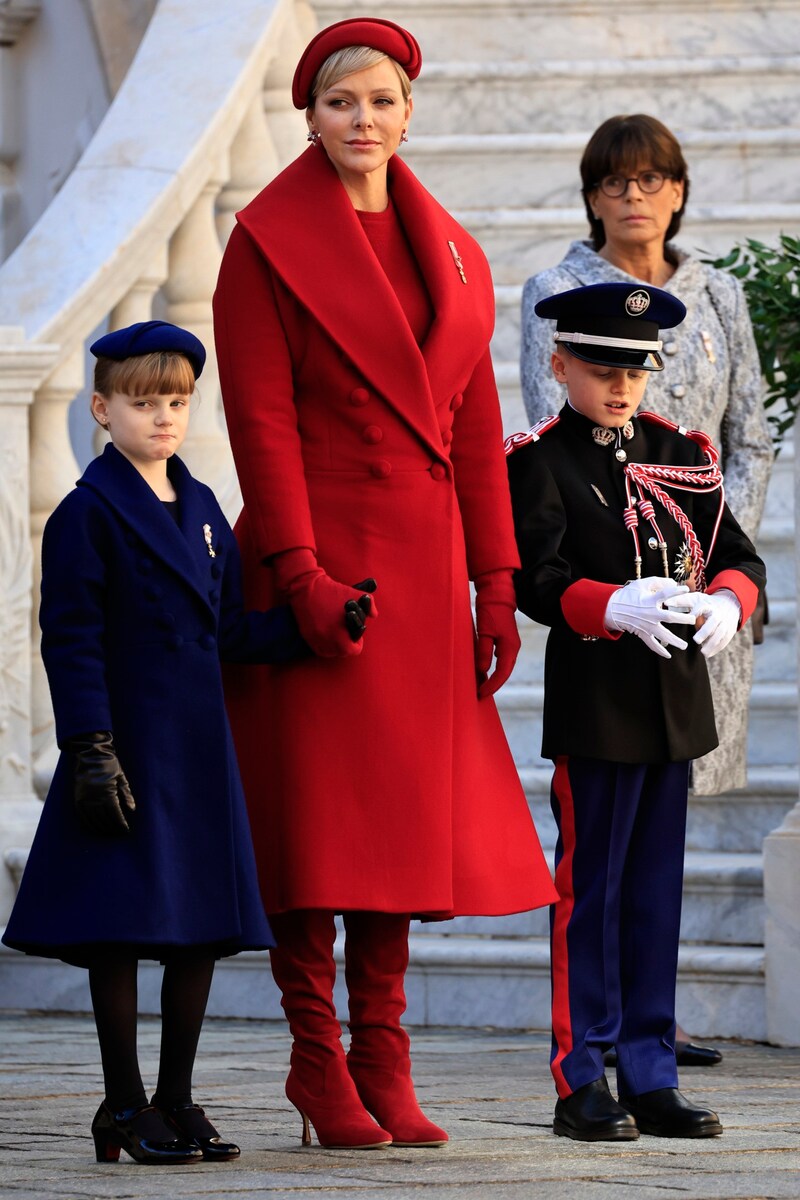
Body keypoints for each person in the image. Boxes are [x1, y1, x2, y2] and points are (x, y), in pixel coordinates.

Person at [213, 17, 557, 1150]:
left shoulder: (452, 248)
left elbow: (470, 422)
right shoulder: (263, 242)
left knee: (398, 829)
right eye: (339, 102)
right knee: (318, 824)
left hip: (419, 572)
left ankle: (383, 1059)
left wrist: (495, 577)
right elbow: (257, 417)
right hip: (315, 560)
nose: (363, 120)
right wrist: (295, 571)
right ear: (308, 116)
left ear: (410, 113)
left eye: (381, 101)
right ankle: (318, 1064)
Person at [1, 321, 322, 1165]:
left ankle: (175, 1098)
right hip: (125, 745)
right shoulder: (85, 513)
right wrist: (90, 748)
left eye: (177, 401)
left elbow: (228, 631)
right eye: (144, 402)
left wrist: (314, 626)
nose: (165, 417)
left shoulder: (207, 508)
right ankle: (120, 1103)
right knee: (119, 924)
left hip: (199, 747)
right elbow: (68, 638)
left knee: (198, 928)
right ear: (103, 411)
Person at [506, 282, 766, 1140]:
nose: (620, 385)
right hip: (597, 707)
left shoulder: (677, 448)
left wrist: (730, 599)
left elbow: (735, 554)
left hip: (673, 707)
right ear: (560, 365)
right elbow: (533, 579)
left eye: (635, 368)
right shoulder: (538, 462)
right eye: (599, 366)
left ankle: (650, 1072)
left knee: (655, 897)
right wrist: (605, 604)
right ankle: (581, 1074)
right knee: (590, 895)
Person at [520, 114, 773, 801]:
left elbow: (749, 433)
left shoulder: (719, 291)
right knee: (610, 813)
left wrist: (713, 560)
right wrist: (625, 585)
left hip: (700, 570)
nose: (634, 195)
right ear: (592, 196)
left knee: (678, 790)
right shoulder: (557, 290)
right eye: (614, 181)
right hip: (610, 573)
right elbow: (556, 427)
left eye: (651, 178)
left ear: (679, 191)